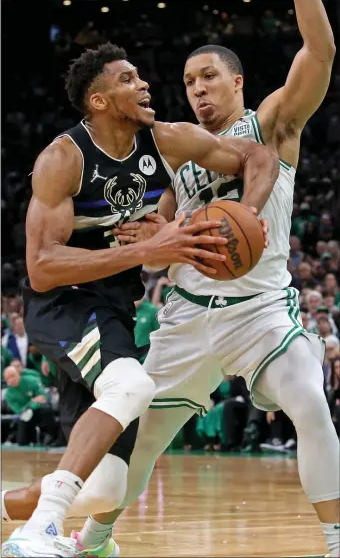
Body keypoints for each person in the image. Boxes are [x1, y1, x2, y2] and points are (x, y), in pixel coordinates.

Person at [48, 0, 338, 555]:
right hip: (186, 318)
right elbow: (156, 259)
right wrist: (152, 242)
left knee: (307, 398)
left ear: (237, 81)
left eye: (209, 77)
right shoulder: (176, 163)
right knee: (139, 439)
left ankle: (336, 539)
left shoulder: (271, 124)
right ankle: (95, 539)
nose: (198, 89)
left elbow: (319, 51)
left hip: (261, 312)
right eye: (188, 82)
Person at [1, 42, 278, 557]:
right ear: (100, 101)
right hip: (62, 302)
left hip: (113, 308)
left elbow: (259, 155)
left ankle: (17, 509)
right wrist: (153, 246)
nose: (144, 83)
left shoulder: (166, 140)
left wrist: (249, 210)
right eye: (127, 79)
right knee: (133, 384)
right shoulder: (64, 158)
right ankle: (37, 533)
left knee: (106, 487)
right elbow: (41, 268)